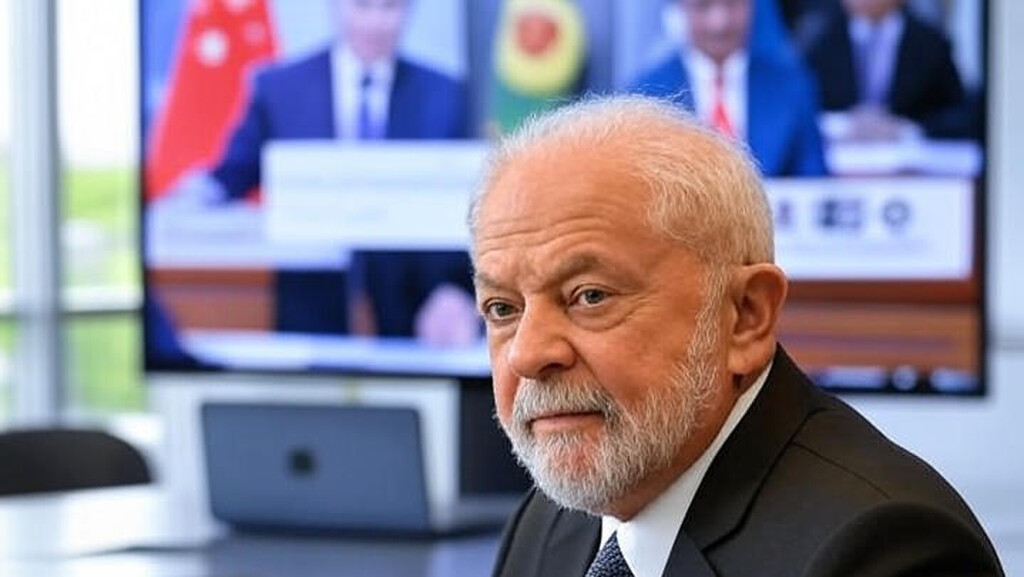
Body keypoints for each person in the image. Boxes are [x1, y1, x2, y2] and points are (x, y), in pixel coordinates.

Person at [470, 95, 1004, 577]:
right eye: (502, 308)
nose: (527, 354)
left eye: (590, 296)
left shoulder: (886, 551)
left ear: (746, 316)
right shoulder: (548, 524)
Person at [172, 0, 475, 339]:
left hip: (416, 321)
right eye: (362, 6)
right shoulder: (279, 89)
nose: (375, 22)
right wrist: (194, 194)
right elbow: (232, 174)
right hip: (310, 321)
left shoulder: (447, 96)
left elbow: (468, 208)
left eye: (390, 7)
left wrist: (456, 289)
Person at [631, 0, 828, 176]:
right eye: (703, 6)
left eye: (732, 4)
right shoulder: (647, 94)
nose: (720, 23)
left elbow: (813, 182)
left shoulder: (791, 85)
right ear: (680, 10)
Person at [802, 0, 974, 140]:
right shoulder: (819, 41)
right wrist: (844, 125)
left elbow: (960, 114)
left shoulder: (931, 44)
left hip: (912, 162)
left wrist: (908, 130)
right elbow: (803, 111)